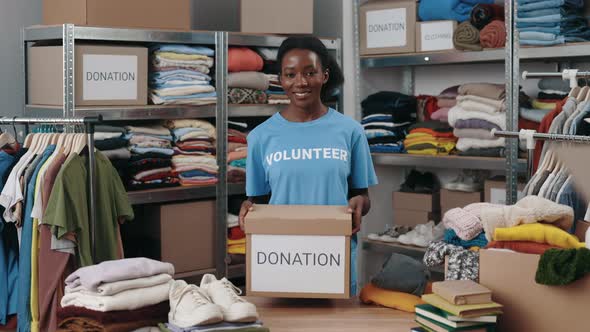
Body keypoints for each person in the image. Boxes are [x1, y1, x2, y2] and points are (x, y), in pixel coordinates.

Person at [239, 36, 378, 295]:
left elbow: (362, 196)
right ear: (280, 79)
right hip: (280, 258)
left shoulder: (350, 131)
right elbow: (258, 202)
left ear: (324, 75)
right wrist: (248, 209)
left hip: (334, 256)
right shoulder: (261, 137)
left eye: (310, 73)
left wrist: (360, 203)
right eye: (290, 74)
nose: (300, 82)